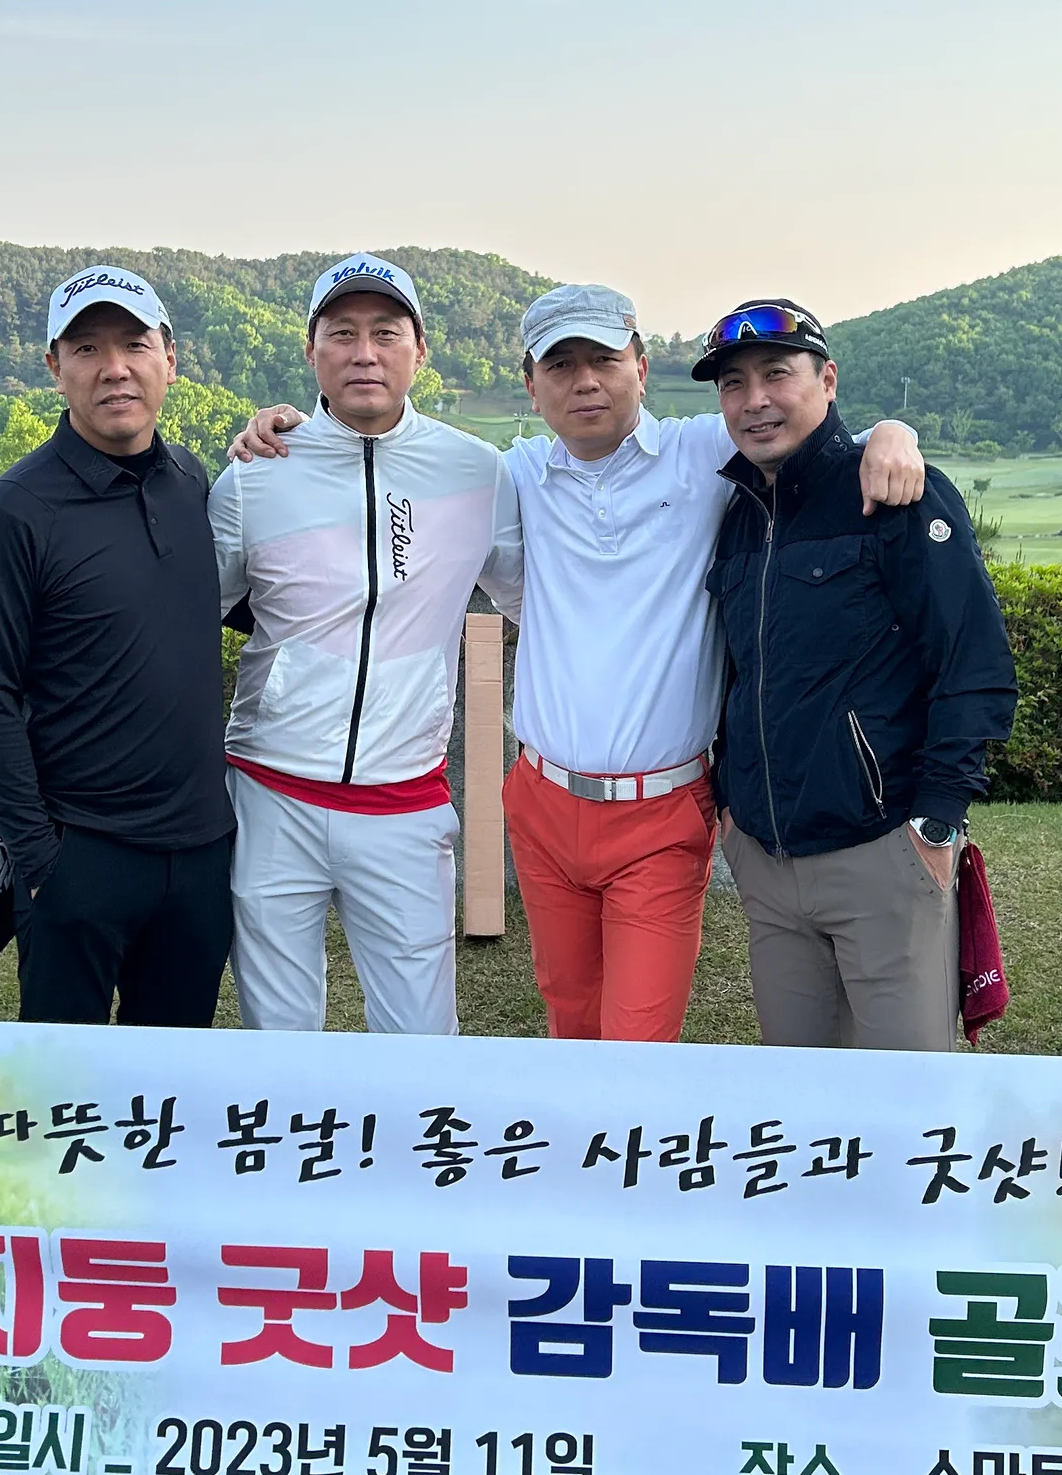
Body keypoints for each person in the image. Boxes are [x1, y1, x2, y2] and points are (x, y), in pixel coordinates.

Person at [229, 282, 920, 1042]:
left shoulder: (703, 453)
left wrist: (890, 433)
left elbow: (804, 433)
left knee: (633, 1046)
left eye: (604, 360)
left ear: (641, 368)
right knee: (571, 1025)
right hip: (543, 804)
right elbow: (397, 482)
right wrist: (291, 433)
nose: (585, 381)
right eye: (561, 365)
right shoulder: (513, 473)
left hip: (663, 811)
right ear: (532, 385)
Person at [208, 254, 521, 1036]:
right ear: (312, 350)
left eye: (386, 332)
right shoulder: (253, 474)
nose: (364, 352)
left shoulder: (479, 472)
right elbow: (186, 619)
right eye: (342, 333)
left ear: (420, 349)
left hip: (403, 800)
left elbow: (543, 604)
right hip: (270, 792)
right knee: (279, 1042)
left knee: (420, 1047)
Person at [700, 299, 1016, 1050]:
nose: (755, 400)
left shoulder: (897, 492)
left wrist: (937, 819)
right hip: (766, 861)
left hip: (882, 853)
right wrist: (731, 807)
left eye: (777, 374)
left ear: (828, 379)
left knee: (906, 1096)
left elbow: (973, 661)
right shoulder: (736, 514)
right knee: (799, 1093)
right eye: (734, 384)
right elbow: (737, 670)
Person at [0, 265, 235, 1027]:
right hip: (80, 849)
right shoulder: (14, 511)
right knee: (63, 1080)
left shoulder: (192, 480)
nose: (114, 367)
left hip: (202, 848)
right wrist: (40, 860)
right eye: (86, 348)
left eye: (134, 344)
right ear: (56, 367)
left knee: (171, 1074)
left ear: (169, 360)